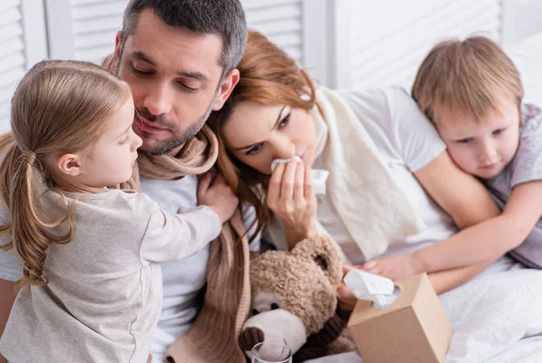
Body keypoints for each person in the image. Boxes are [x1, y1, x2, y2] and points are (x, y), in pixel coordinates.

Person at [0, 1, 363, 363]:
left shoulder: (227, 170)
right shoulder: (33, 167)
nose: (156, 104)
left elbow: (268, 309)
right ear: (119, 49)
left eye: (188, 85)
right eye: (142, 70)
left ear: (222, 89)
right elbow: (19, 355)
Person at [0, 59, 239, 363]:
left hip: (27, 361)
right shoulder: (131, 218)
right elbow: (181, 236)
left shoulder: (30, 186)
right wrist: (214, 211)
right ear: (72, 163)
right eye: (122, 138)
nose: (136, 142)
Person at [207, 30, 502, 309]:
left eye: (284, 121)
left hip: (467, 280)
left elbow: (490, 229)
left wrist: (403, 293)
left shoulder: (384, 112)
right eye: (254, 148)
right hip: (374, 319)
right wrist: (300, 228)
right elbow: (314, 301)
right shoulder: (253, 196)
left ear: (300, 86)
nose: (286, 152)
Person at [357, 36, 542, 281]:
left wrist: (414, 263)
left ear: (518, 110)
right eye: (465, 140)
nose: (487, 153)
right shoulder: (442, 163)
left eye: (498, 132)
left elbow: (513, 228)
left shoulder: (535, 138)